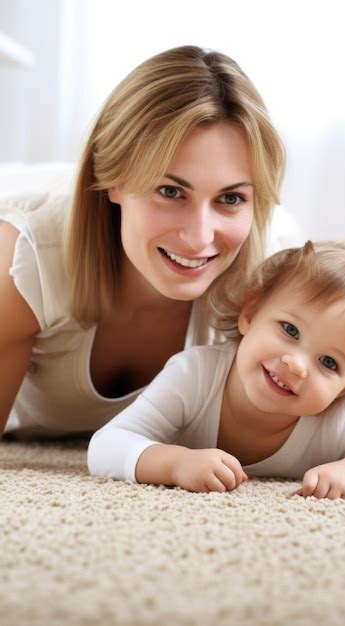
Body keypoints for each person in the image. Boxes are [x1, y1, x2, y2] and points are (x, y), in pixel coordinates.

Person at [0, 45, 289, 438]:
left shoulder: (273, 278)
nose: (199, 236)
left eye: (230, 198)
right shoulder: (26, 259)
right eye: (171, 192)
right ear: (113, 178)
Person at [88, 239, 345, 500]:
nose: (297, 364)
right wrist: (176, 464)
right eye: (290, 330)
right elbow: (106, 445)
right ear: (251, 313)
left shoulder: (338, 418)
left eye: (329, 363)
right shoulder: (195, 374)